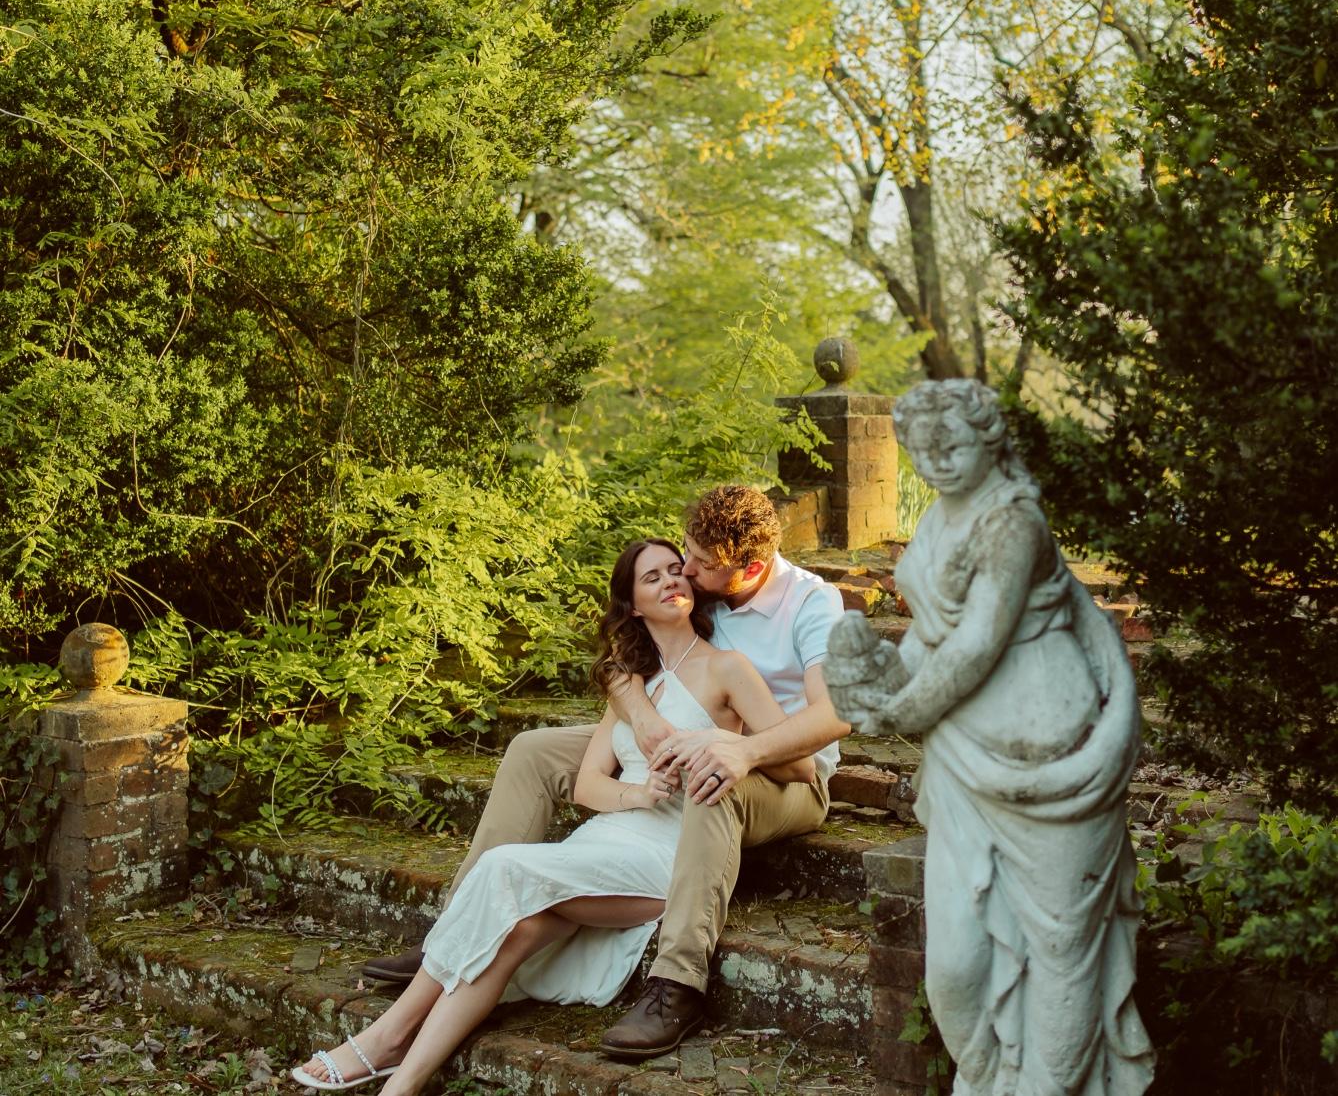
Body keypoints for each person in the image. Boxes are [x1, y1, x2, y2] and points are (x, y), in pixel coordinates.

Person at [294, 537, 813, 1092]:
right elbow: (588, 784)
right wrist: (638, 793)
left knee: (501, 869)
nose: (670, 581)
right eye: (652, 577)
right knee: (514, 932)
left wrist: (718, 744)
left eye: (675, 570)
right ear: (634, 606)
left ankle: (387, 1036)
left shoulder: (728, 668)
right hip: (606, 839)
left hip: (673, 854)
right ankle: (402, 1084)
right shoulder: (630, 684)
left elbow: (799, 765)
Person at [823, 380, 1155, 1094]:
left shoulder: (1013, 522)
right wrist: (879, 674)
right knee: (955, 971)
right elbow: (934, 635)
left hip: (1056, 770)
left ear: (989, 439)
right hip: (962, 763)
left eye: (952, 443)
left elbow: (978, 643)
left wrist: (898, 711)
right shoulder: (939, 518)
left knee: (1063, 955)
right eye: (921, 449)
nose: (935, 460)